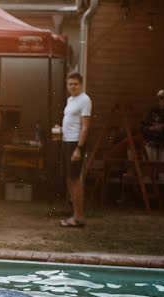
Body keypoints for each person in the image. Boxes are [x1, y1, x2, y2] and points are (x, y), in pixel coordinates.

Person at [58, 72, 92, 228]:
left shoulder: (85, 100)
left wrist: (78, 148)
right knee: (69, 179)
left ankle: (79, 217)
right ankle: (75, 215)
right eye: (70, 83)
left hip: (75, 144)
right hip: (66, 141)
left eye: (75, 84)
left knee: (76, 180)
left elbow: (85, 127)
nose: (72, 86)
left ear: (81, 84)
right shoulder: (70, 100)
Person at [140, 89, 164, 163]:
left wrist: (161, 127)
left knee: (163, 172)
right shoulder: (151, 111)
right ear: (158, 99)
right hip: (151, 145)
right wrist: (154, 128)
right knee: (149, 170)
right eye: (161, 97)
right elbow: (143, 127)